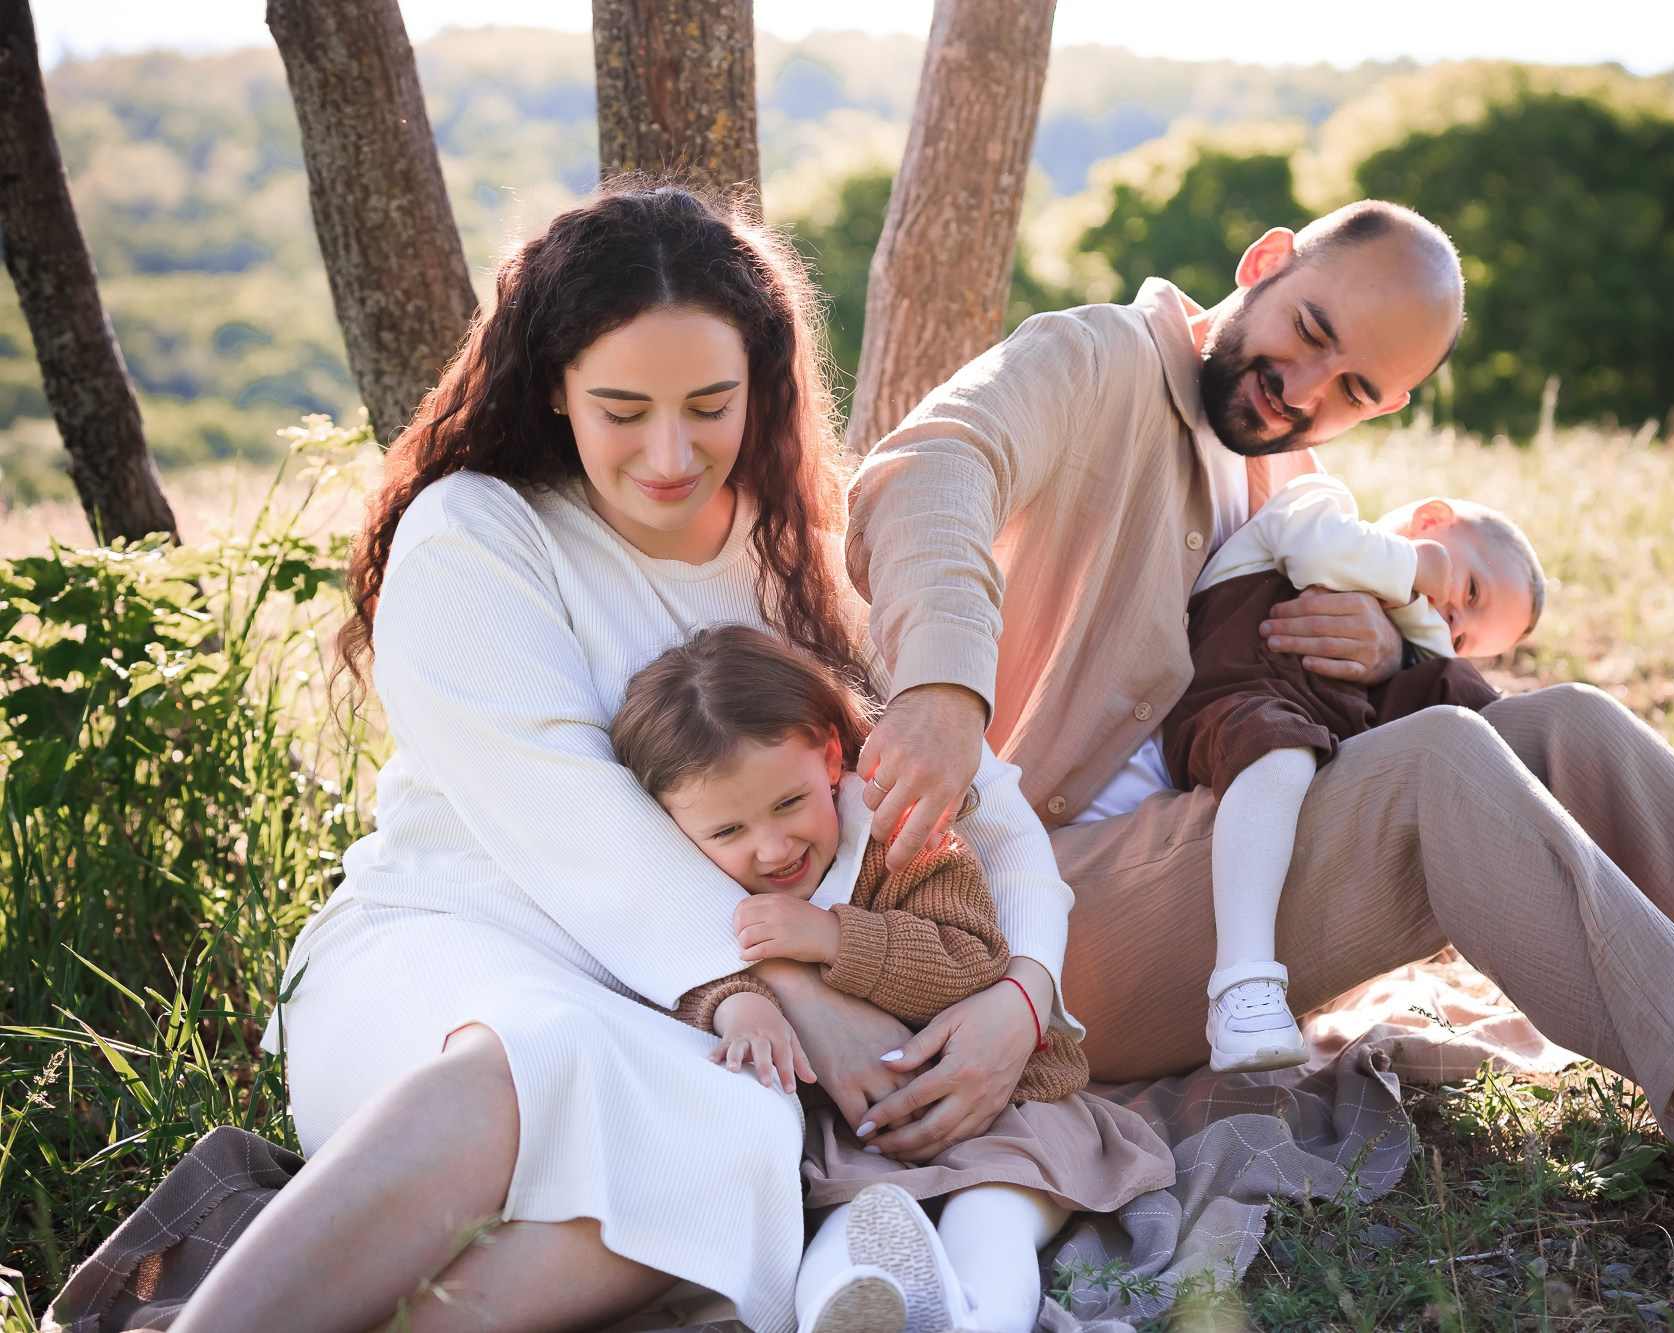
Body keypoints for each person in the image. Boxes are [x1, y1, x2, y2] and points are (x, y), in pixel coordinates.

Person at [844, 197, 1674, 1239]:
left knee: (1565, 725)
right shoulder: (1098, 356)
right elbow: (930, 464)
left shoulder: (1279, 489)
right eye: (1308, 331)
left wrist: (1378, 652)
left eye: (1351, 390)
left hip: (1177, 877)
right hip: (1012, 918)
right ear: (1264, 261)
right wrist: (946, 687)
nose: (1302, 388)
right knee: (1440, 761)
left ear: (1385, 407)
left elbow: (1252, 717)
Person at [174, 182, 1078, 1333]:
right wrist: (794, 996)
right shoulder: (475, 532)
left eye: (710, 404)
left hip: (681, 1020)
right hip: (454, 949)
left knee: (748, 1141)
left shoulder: (802, 565)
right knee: (542, 1052)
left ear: (763, 385)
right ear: (553, 386)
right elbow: (566, 820)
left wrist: (1023, 993)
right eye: (621, 408)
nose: (669, 452)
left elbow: (980, 806)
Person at [608, 625, 1174, 1333]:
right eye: (728, 831)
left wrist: (834, 936)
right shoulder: (703, 890)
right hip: (863, 1139)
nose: (772, 848)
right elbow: (684, 974)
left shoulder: (903, 836)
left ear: (832, 755)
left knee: (991, 1218)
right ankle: (847, 1312)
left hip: (1006, 1112)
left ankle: (979, 1321)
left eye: (789, 803)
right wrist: (736, 1010)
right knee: (853, 1226)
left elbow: (972, 960)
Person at [1160, 473, 1543, 1070]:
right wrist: (1420, 566)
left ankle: (1548, 810)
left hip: (1332, 734)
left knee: (1459, 693)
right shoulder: (1324, 505)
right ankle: (1242, 982)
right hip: (1239, 700)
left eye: (1465, 633)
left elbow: (1437, 668)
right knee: (1277, 747)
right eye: (1469, 589)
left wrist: (1418, 646)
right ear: (1430, 522)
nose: (1450, 616)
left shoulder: (1414, 633)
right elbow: (1316, 549)